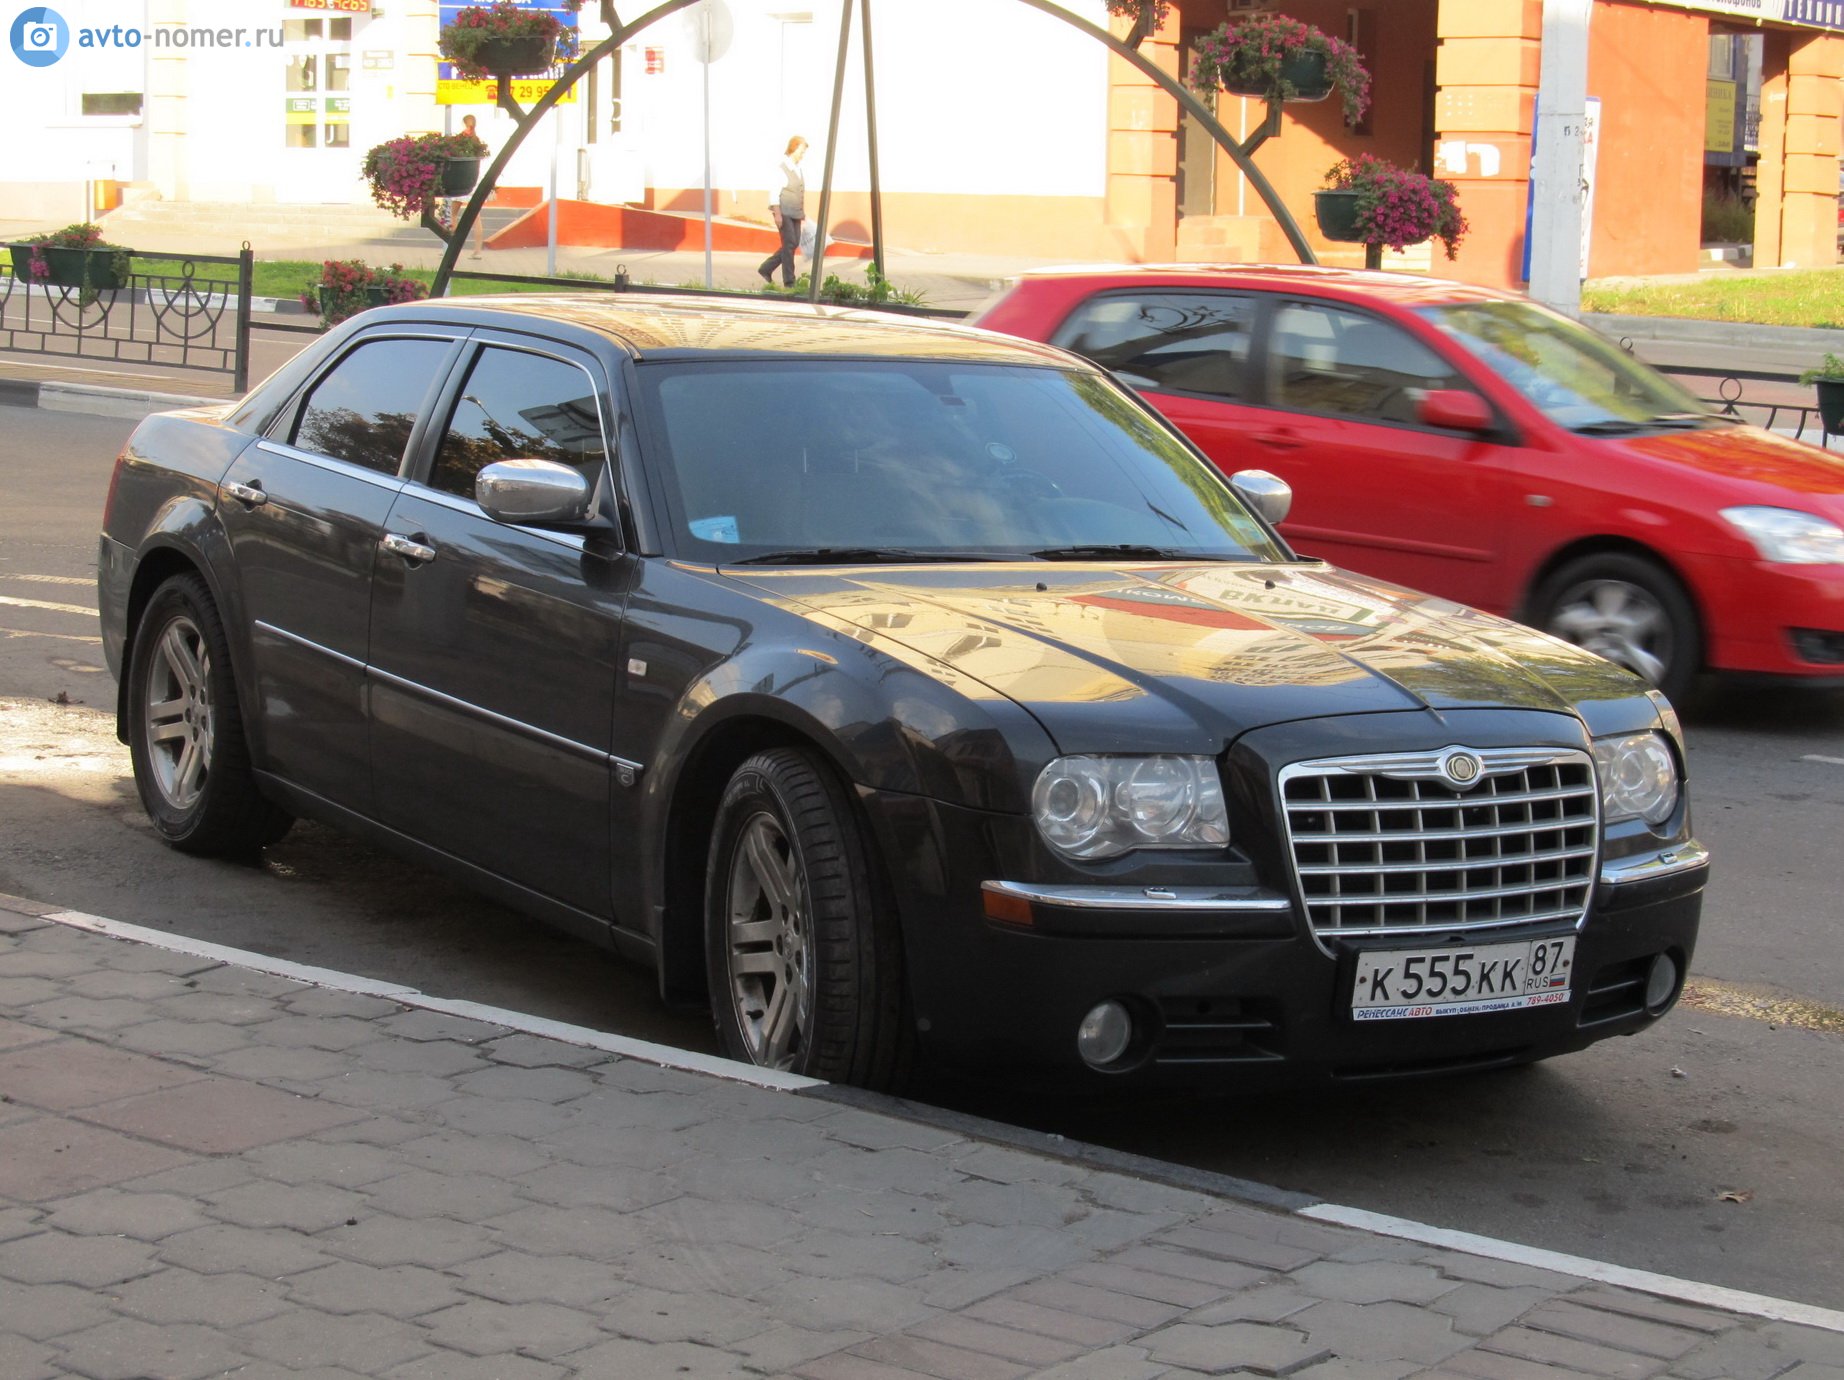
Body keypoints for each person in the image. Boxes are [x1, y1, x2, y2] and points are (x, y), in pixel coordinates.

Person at [759, 135, 808, 288]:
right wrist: (777, 214)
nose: (802, 154)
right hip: (784, 212)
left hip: (795, 213)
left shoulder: (798, 168)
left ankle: (766, 268)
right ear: (793, 149)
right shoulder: (782, 168)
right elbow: (774, 192)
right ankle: (789, 281)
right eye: (801, 150)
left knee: (793, 243)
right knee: (789, 244)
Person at [461, 114, 489, 258]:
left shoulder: (462, 138)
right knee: (476, 218)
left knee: (451, 214)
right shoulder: (477, 140)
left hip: (462, 180)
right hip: (475, 180)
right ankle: (477, 250)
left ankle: (449, 245)